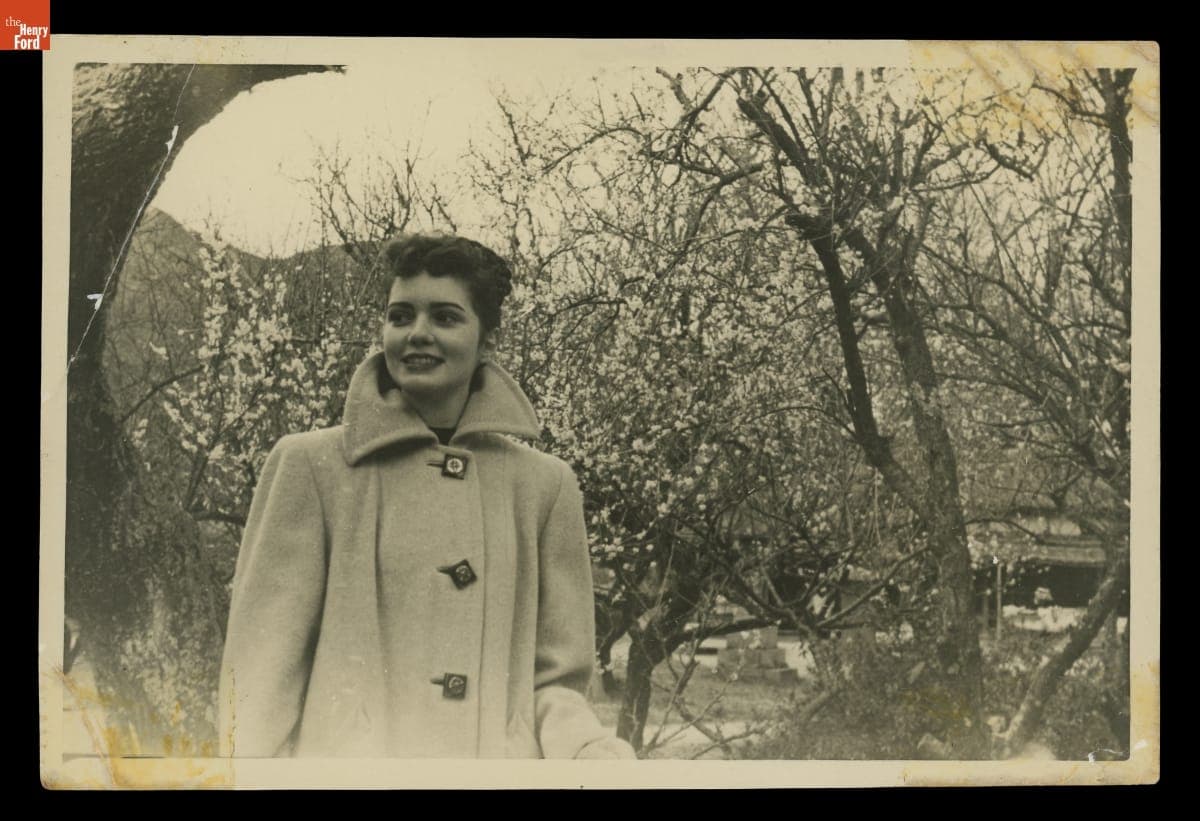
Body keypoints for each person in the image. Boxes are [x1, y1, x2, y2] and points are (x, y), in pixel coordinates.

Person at [218, 234, 635, 759]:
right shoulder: (311, 466)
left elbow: (555, 684)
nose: (417, 334)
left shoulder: (544, 487)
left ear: (487, 340)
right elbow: (259, 678)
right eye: (400, 316)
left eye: (444, 317)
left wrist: (583, 749)